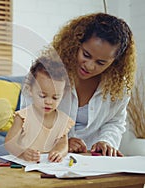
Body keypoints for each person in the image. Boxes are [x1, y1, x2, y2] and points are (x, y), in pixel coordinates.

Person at [52, 13, 136, 157]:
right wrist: (61, 141)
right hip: (49, 157)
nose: (90, 66)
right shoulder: (47, 72)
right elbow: (30, 118)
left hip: (92, 161)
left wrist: (106, 141)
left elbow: (115, 122)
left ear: (115, 62)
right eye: (86, 55)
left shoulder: (118, 86)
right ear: (75, 44)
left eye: (101, 62)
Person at [4, 48, 75, 163]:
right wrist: (22, 152)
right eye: (42, 96)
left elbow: (63, 145)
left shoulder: (62, 120)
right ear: (30, 90)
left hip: (46, 168)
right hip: (22, 167)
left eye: (55, 97)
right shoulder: (23, 117)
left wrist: (58, 153)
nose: (49, 102)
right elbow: (9, 143)